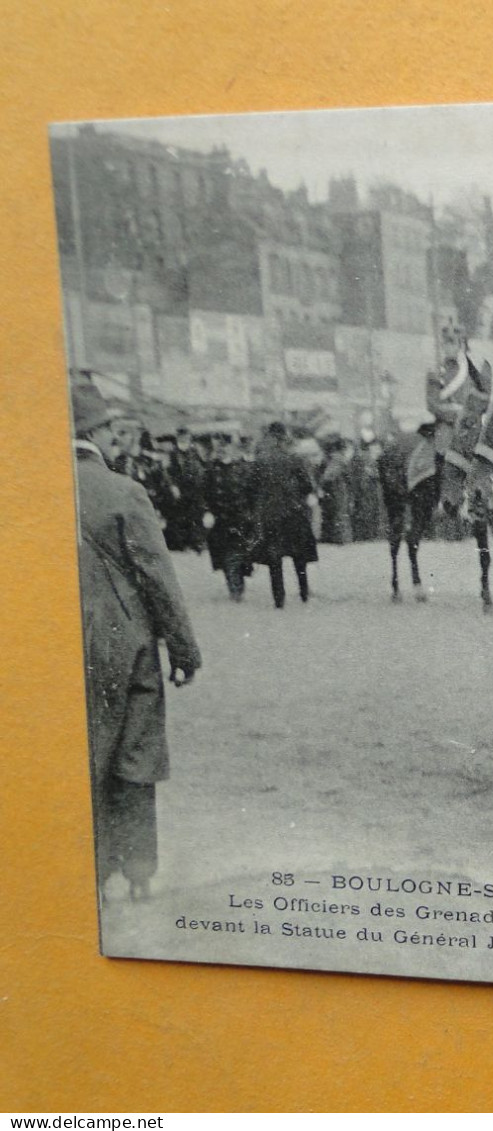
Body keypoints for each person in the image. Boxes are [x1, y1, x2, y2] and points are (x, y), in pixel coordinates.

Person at [72, 378, 201, 902]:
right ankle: (139, 872)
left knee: (82, 753)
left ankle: (93, 871)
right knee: (135, 750)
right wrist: (185, 650)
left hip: (60, 644)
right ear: (97, 432)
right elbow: (157, 579)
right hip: (126, 644)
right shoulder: (124, 491)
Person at [251, 421, 319, 608]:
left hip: (271, 514)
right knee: (299, 554)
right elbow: (307, 486)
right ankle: (303, 591)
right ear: (284, 437)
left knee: (274, 556)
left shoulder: (260, 460)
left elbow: (252, 488)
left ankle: (278, 598)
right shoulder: (294, 458)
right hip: (293, 512)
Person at [202, 428, 255, 601]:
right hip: (219, 519)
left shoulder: (241, 468)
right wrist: (206, 511)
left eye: (225, 447)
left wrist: (251, 513)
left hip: (239, 517)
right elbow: (203, 493)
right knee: (224, 554)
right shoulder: (211, 469)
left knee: (237, 554)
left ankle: (236, 585)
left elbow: (250, 492)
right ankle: (234, 585)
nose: (222, 450)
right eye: (219, 447)